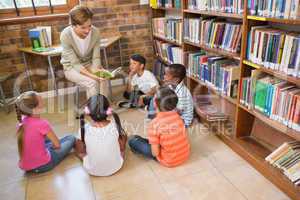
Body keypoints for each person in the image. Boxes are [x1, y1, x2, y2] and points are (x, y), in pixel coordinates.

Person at [128, 86, 190, 167]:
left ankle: (134, 141)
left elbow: (155, 153)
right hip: (184, 155)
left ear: (154, 103)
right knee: (156, 140)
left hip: (169, 160)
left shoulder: (154, 124)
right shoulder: (178, 117)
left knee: (132, 139)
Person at [15, 91, 76, 173]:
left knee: (45, 139)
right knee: (71, 138)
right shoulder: (42, 123)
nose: (43, 100)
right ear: (35, 108)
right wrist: (52, 147)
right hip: (44, 165)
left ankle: (46, 148)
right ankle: (47, 151)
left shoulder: (21, 122)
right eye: (40, 99)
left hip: (26, 167)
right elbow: (57, 145)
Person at [60, 5, 109, 98]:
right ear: (73, 25)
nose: (87, 30)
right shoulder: (65, 35)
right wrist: (93, 76)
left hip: (88, 63)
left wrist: (96, 71)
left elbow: (96, 57)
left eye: (89, 26)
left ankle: (103, 107)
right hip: (71, 67)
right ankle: (93, 111)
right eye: (83, 27)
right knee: (92, 82)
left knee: (103, 78)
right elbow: (75, 64)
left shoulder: (95, 32)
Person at [75, 94, 127, 176]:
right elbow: (122, 147)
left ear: (87, 112)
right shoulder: (116, 126)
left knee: (80, 152)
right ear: (109, 111)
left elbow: (80, 151)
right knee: (122, 148)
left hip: (92, 170)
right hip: (116, 167)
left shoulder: (83, 129)